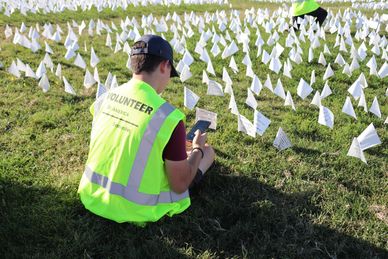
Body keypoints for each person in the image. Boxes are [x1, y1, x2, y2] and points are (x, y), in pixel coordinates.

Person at [78, 34, 215, 225]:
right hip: (137, 209)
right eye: (170, 73)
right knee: (207, 152)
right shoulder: (168, 117)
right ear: (164, 66)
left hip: (91, 195)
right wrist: (198, 149)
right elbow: (179, 184)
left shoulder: (105, 98)